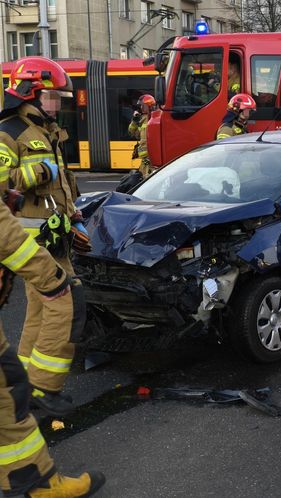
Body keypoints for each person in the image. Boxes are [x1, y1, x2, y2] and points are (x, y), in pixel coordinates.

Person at [0, 56, 89, 416]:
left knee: (38, 310)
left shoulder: (46, 131)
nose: (59, 104)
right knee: (67, 302)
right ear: (30, 94)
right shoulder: (10, 133)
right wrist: (38, 170)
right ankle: (43, 388)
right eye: (54, 98)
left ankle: (26, 385)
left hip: (53, 236)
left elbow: (62, 184)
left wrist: (74, 214)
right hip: (26, 240)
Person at [0, 196, 105, 497]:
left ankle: (37, 482)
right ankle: (41, 485)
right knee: (7, 394)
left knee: (8, 394)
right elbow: (9, 237)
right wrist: (55, 280)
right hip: (40, 242)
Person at [128, 93, 156, 178]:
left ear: (148, 105)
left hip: (151, 158)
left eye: (142, 105)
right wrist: (134, 121)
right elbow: (132, 132)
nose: (141, 107)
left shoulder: (155, 117)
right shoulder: (141, 118)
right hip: (145, 159)